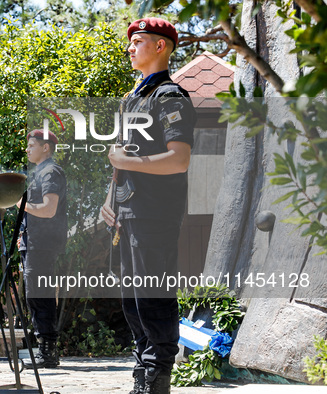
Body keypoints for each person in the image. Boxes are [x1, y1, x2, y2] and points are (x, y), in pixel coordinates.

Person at [100, 18, 196, 394]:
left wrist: (127, 164)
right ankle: (143, 374)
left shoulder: (169, 96)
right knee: (132, 301)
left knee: (153, 296)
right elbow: (123, 158)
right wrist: (109, 200)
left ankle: (157, 380)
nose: (129, 47)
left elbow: (179, 159)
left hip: (155, 213)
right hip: (127, 214)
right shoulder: (133, 99)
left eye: (137, 41)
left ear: (161, 47)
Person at [18, 129, 67, 369]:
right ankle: (46, 351)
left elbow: (48, 210)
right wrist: (23, 235)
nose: (27, 149)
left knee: (40, 295)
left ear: (45, 147)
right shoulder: (38, 173)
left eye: (31, 145)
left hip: (44, 243)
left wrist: (23, 205)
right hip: (34, 241)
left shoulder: (50, 172)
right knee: (35, 295)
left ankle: (47, 353)